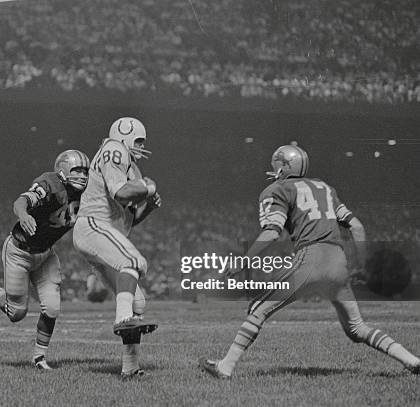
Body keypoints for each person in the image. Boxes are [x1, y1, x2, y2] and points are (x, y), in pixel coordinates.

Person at [199, 145, 420, 378]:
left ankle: (226, 367)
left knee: (258, 309)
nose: (275, 169)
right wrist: (361, 265)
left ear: (285, 166)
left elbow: (272, 232)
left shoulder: (277, 189)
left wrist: (244, 262)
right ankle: (413, 361)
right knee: (357, 328)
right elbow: (357, 226)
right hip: (337, 260)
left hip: (311, 259)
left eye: (278, 165)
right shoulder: (325, 188)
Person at [0, 150, 90, 370]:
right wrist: (24, 215)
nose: (84, 176)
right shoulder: (50, 184)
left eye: (86, 172)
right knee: (16, 313)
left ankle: (39, 358)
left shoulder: (87, 194)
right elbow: (21, 201)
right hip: (19, 252)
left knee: (52, 308)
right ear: (63, 170)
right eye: (78, 170)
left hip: (46, 254)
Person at [73, 117, 161, 380]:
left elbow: (129, 216)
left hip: (101, 231)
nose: (141, 146)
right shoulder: (115, 149)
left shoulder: (127, 163)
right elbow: (120, 193)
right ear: (125, 135)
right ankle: (122, 320)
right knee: (133, 262)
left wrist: (148, 205)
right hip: (92, 225)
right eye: (139, 140)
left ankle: (130, 369)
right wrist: (147, 186)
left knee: (138, 301)